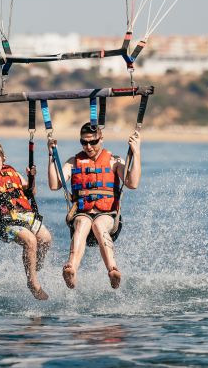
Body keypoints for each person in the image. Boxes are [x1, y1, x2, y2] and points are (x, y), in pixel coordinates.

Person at [47, 122, 141, 290]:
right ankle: (71, 269)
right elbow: (55, 185)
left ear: (101, 139)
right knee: (83, 223)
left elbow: (132, 183)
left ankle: (113, 270)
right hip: (82, 214)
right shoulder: (74, 161)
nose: (88, 146)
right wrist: (51, 156)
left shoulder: (114, 161)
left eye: (93, 142)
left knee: (98, 224)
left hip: (108, 217)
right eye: (84, 142)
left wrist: (136, 152)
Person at [0, 141, 52, 300]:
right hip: (4, 222)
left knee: (46, 239)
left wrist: (32, 177)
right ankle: (33, 283)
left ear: (4, 157)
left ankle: (34, 266)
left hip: (25, 215)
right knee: (30, 240)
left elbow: (31, 191)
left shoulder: (13, 172)